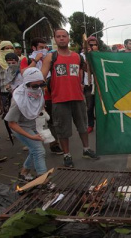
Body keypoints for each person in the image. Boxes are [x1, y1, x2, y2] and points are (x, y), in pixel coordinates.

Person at [41, 28, 99, 168]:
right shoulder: (51, 57)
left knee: (83, 127)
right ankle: (67, 155)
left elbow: (90, 70)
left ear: (68, 38)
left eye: (64, 36)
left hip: (78, 98)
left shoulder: (77, 57)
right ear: (55, 39)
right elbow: (41, 77)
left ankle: (86, 149)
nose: (61, 38)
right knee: (62, 130)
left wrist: (92, 58)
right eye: (58, 36)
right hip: (59, 99)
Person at [5, 68, 48, 180]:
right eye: (35, 86)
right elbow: (12, 124)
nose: (38, 88)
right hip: (20, 127)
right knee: (39, 151)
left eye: (41, 84)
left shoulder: (39, 92)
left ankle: (24, 173)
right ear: (27, 84)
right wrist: (31, 137)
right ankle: (42, 180)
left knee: (34, 150)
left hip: (33, 125)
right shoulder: (19, 99)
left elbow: (40, 107)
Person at [84, 36, 98, 134]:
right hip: (88, 85)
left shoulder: (100, 55)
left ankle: (102, 125)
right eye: (91, 45)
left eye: (95, 45)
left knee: (100, 108)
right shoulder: (82, 55)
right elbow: (83, 68)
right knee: (89, 107)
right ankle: (90, 125)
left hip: (99, 85)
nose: (93, 46)